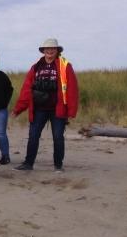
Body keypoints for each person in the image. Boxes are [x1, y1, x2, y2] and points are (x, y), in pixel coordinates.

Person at [12, 38, 79, 173]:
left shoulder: (65, 65)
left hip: (57, 109)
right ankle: (28, 163)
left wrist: (71, 111)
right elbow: (26, 89)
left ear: (57, 50)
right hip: (38, 109)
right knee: (33, 136)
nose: (49, 51)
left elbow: (72, 88)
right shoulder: (36, 66)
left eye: (52, 49)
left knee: (58, 137)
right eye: (47, 49)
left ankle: (58, 165)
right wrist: (18, 109)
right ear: (43, 50)